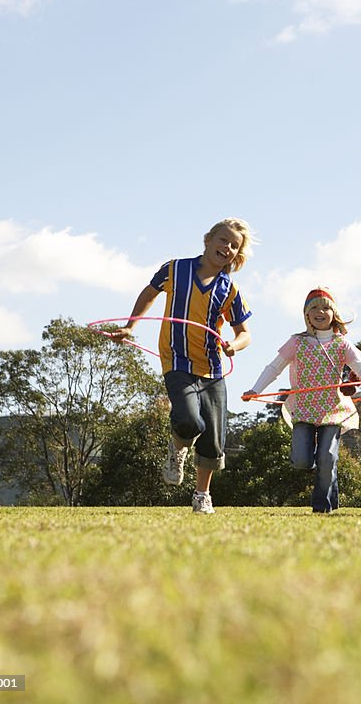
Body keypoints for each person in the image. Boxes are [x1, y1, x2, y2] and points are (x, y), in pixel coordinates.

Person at [111, 218, 255, 514]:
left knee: (214, 440)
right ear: (208, 239)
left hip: (213, 368)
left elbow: (245, 334)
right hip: (177, 358)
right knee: (190, 420)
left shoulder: (230, 290)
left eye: (233, 245)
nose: (226, 247)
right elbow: (149, 293)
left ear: (237, 255)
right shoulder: (176, 269)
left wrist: (233, 346)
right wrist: (130, 327)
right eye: (222, 240)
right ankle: (178, 448)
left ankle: (202, 495)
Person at [245, 287, 361, 513]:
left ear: (334, 314)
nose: (319, 312)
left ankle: (322, 507)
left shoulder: (342, 343)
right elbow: (274, 368)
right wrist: (255, 389)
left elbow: (359, 366)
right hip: (303, 409)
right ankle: (321, 472)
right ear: (306, 314)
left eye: (325, 307)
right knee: (302, 461)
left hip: (332, 409)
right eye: (314, 308)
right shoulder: (296, 342)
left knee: (327, 457)